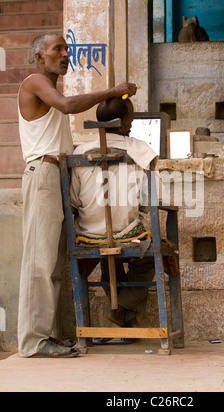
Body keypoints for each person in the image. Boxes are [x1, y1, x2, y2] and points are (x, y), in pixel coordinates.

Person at [17, 31, 137, 358]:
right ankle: (33, 341)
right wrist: (112, 91)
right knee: (39, 263)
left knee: (54, 264)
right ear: (40, 57)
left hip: (56, 176)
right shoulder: (33, 83)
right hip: (42, 173)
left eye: (67, 49)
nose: (65, 54)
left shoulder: (49, 91)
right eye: (58, 49)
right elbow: (69, 106)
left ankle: (52, 336)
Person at [70, 97, 158, 331]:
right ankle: (123, 309)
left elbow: (74, 200)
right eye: (129, 117)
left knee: (106, 255)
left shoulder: (80, 153)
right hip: (125, 231)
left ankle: (123, 313)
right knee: (148, 255)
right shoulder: (141, 150)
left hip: (89, 233)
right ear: (124, 124)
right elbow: (148, 202)